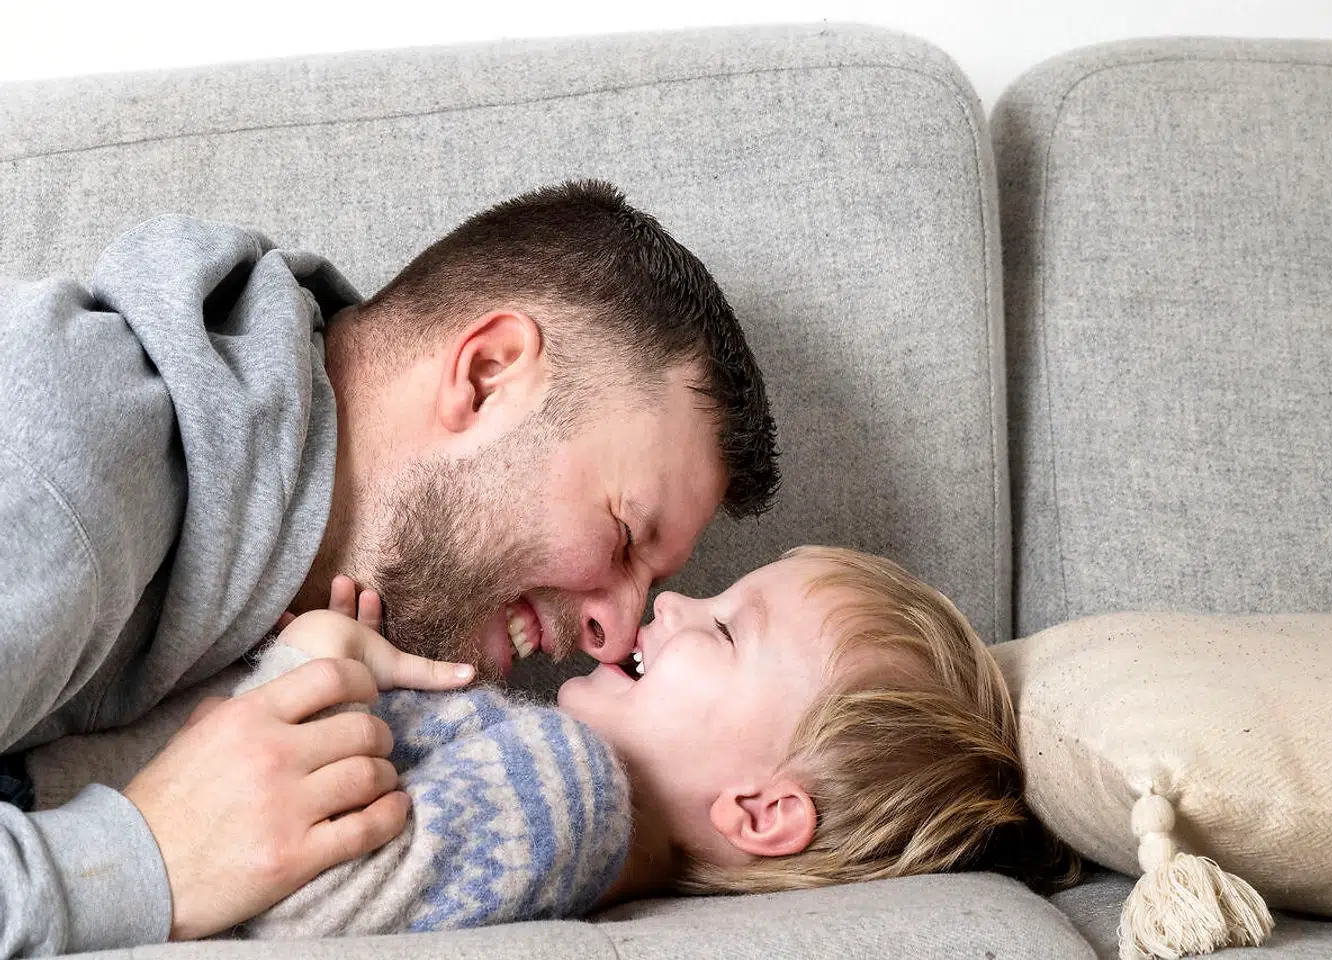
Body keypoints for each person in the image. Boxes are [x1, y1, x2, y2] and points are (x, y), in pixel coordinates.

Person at [0, 182, 778, 956]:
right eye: (624, 536)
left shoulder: (288, 587)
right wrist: (150, 859)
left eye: (651, 585)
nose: (618, 635)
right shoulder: (63, 463)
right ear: (487, 377)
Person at [22, 547, 1079, 940]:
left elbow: (290, 899)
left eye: (722, 629)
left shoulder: (564, 791)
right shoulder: (556, 800)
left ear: (762, 811)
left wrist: (307, 668)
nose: (672, 605)